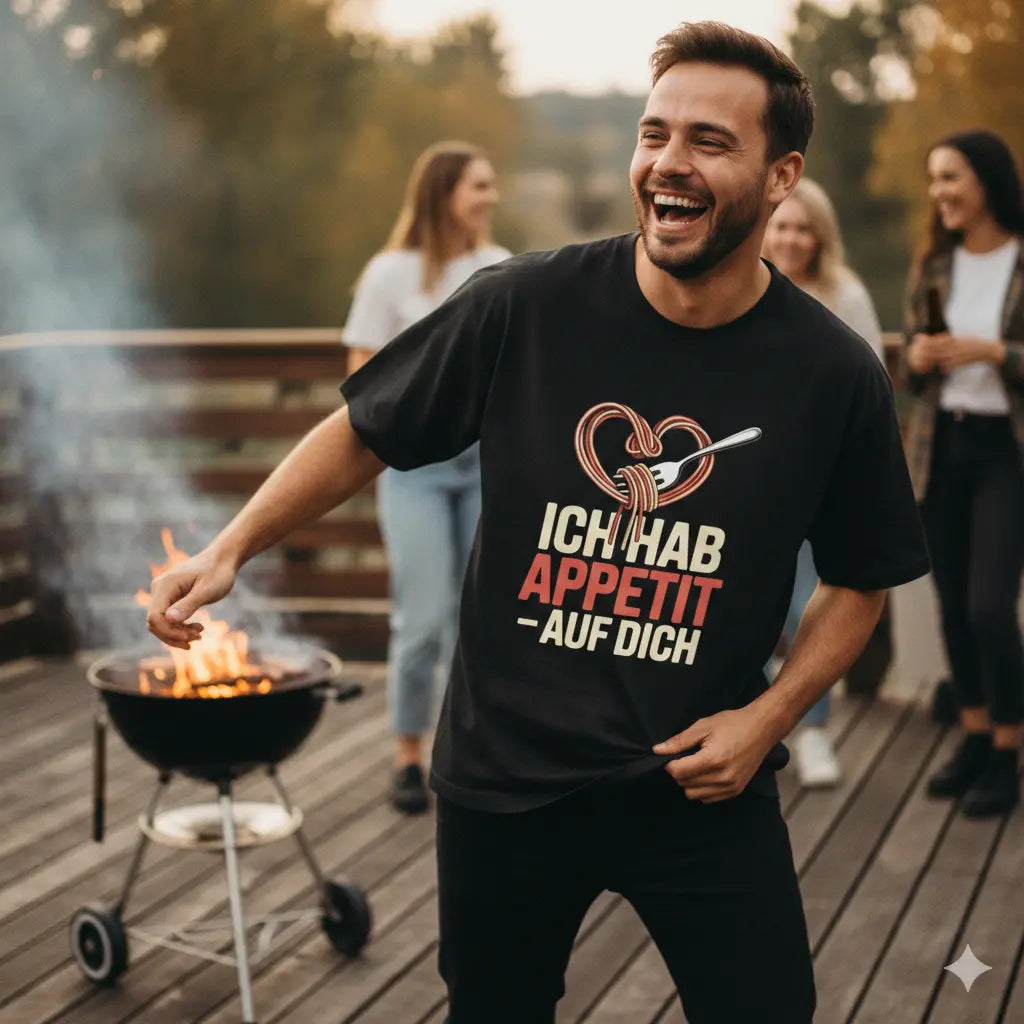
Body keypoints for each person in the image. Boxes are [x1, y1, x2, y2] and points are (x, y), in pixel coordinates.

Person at [146, 22, 930, 1023]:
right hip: (505, 780)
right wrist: (229, 548)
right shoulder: (524, 304)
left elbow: (861, 576)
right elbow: (365, 427)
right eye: (654, 135)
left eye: (707, 141)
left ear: (781, 177)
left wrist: (770, 716)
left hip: (700, 790)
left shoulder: (833, 372)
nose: (668, 165)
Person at [343, 142, 509, 814]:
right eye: (480, 186)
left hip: (485, 472)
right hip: (411, 474)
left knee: (485, 618)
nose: (491, 197)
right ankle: (408, 754)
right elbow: (361, 372)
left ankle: (475, 750)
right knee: (423, 622)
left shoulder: (498, 268)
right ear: (445, 194)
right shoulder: (390, 274)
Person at [904, 129, 1024, 819]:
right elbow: (915, 364)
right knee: (952, 604)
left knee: (988, 606)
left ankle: (1008, 753)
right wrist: (919, 357)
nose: (939, 193)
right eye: (933, 180)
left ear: (985, 179)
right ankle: (975, 738)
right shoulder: (936, 261)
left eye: (949, 177)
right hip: (941, 447)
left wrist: (993, 351)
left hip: (1005, 454)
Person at [762, 177, 886, 788]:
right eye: (782, 224)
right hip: (747, 487)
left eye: (803, 228)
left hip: (819, 487)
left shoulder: (845, 295)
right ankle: (753, 727)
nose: (790, 237)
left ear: (820, 237)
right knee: (742, 608)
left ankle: (812, 733)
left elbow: (874, 389)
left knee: (808, 609)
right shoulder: (739, 287)